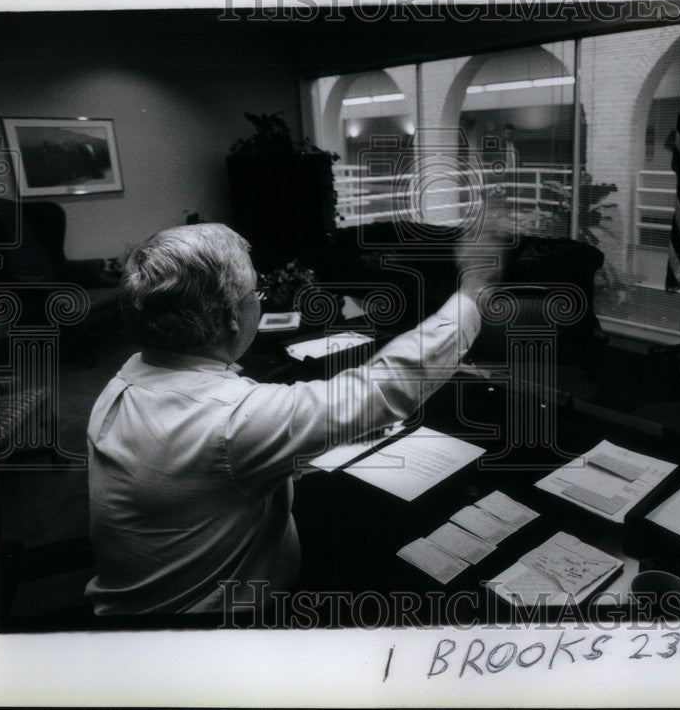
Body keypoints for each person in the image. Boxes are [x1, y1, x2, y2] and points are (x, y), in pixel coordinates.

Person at [85, 220, 502, 615]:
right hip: (220, 638)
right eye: (256, 290)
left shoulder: (123, 383)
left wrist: (302, 445)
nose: (259, 299)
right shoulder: (233, 421)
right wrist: (471, 291)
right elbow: (384, 386)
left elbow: (199, 471)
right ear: (232, 315)